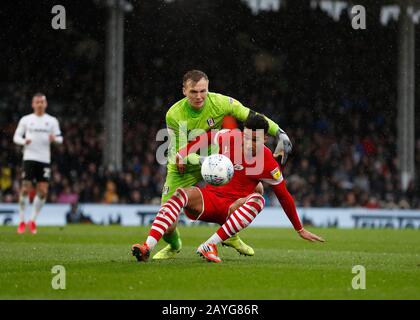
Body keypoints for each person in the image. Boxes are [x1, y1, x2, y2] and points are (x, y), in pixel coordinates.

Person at [132, 114, 324, 263]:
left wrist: (299, 229)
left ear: (265, 139)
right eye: (247, 137)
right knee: (180, 194)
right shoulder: (230, 137)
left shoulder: (268, 163)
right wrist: (184, 152)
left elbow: (284, 196)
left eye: (255, 140)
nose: (249, 144)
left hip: (232, 211)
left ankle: (209, 245)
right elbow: (205, 137)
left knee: (259, 198)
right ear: (243, 132)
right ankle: (147, 247)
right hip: (208, 200)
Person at [153, 69, 293, 260]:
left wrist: (279, 132)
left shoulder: (220, 102)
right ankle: (174, 245)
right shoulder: (174, 114)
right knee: (168, 225)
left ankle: (230, 235)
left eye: (203, 91)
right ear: (184, 91)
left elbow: (250, 115)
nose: (199, 96)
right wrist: (202, 160)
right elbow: (182, 152)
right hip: (184, 164)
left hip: (216, 161)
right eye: (194, 91)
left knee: (255, 188)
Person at [13, 93, 63, 234]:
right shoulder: (26, 120)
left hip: (44, 159)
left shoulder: (52, 121)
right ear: (33, 104)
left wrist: (55, 138)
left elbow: (60, 138)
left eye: (42, 102)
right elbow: (16, 137)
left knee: (43, 191)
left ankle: (32, 220)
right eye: (37, 102)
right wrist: (24, 141)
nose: (40, 104)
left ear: (46, 104)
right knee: (25, 189)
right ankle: (22, 221)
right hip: (29, 158)